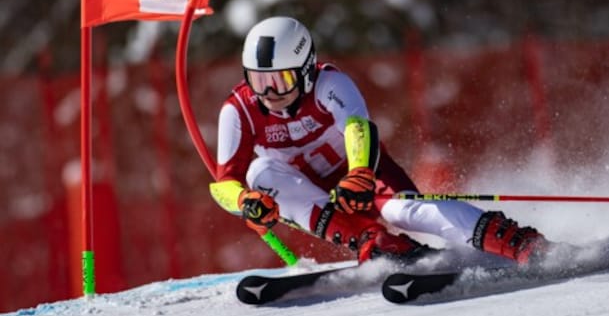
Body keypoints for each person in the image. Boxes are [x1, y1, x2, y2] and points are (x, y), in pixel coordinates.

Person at [209, 16, 547, 265]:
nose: (269, 93)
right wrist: (246, 203)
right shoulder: (238, 110)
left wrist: (359, 174)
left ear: (306, 69)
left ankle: (515, 241)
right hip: (311, 195)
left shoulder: (330, 85)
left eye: (281, 81)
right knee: (259, 173)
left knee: (405, 211)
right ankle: (376, 242)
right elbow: (223, 184)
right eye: (257, 80)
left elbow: (359, 128)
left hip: (364, 177)